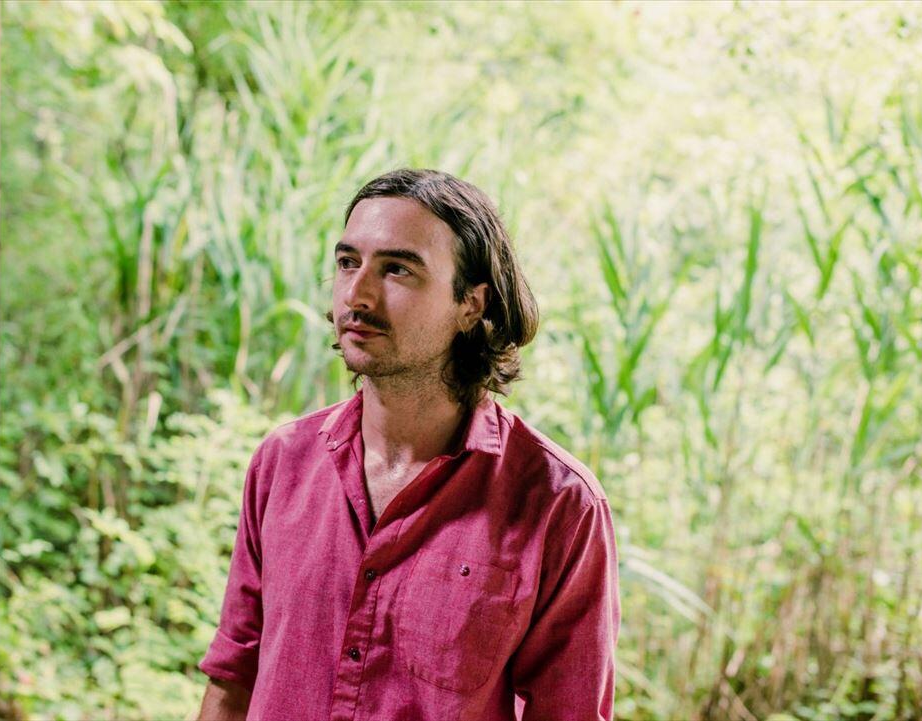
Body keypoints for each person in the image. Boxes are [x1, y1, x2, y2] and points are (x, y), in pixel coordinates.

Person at [195, 169, 620, 721]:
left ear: (471, 304)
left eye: (397, 269)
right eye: (348, 262)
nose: (357, 294)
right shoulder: (283, 463)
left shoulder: (559, 504)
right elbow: (234, 676)